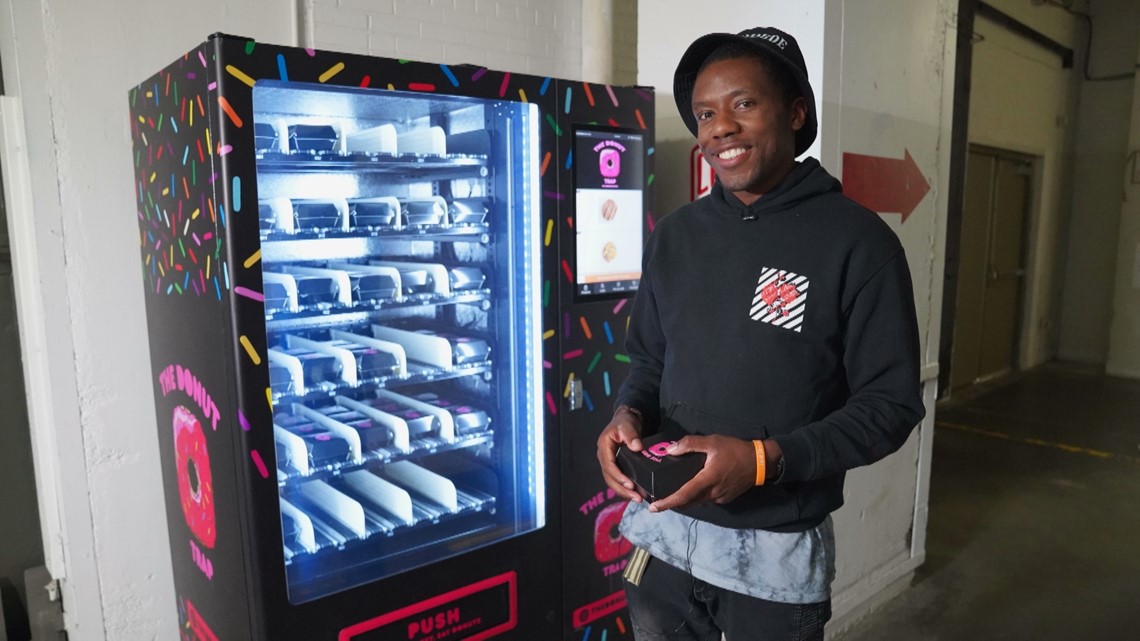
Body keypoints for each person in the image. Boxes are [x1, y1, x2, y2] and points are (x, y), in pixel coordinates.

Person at [596, 26, 926, 641]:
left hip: (775, 557)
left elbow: (891, 406)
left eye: (743, 103)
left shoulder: (857, 244)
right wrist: (627, 414)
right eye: (704, 112)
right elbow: (648, 359)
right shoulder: (676, 236)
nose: (719, 126)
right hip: (662, 533)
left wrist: (761, 461)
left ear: (796, 112)